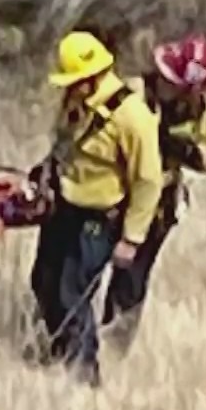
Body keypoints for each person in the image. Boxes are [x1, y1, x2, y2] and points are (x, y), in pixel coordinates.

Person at [27, 31, 164, 387]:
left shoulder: (132, 116)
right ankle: (58, 349)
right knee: (43, 280)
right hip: (64, 209)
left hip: (100, 219)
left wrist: (132, 238)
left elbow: (148, 180)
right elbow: (65, 144)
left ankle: (83, 373)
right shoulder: (76, 103)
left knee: (74, 292)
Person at [99, 34, 206, 351]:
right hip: (113, 194)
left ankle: (115, 347)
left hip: (159, 205)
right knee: (83, 268)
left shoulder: (197, 109)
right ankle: (67, 339)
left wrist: (193, 154)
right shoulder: (133, 92)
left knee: (132, 280)